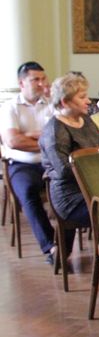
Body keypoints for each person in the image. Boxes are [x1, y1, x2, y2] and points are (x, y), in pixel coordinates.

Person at [38, 74, 99, 289]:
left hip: (96, 189)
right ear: (65, 102)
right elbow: (65, 171)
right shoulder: (54, 130)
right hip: (70, 197)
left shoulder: (86, 120)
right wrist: (98, 169)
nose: (88, 101)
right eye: (82, 97)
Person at [0, 62, 55, 262]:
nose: (41, 83)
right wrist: (45, 141)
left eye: (43, 79)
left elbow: (59, 138)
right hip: (21, 165)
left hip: (50, 162)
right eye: (35, 80)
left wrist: (29, 135)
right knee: (28, 192)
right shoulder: (10, 107)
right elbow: (13, 141)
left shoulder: (51, 105)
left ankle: (66, 242)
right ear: (22, 83)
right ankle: (51, 246)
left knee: (74, 186)